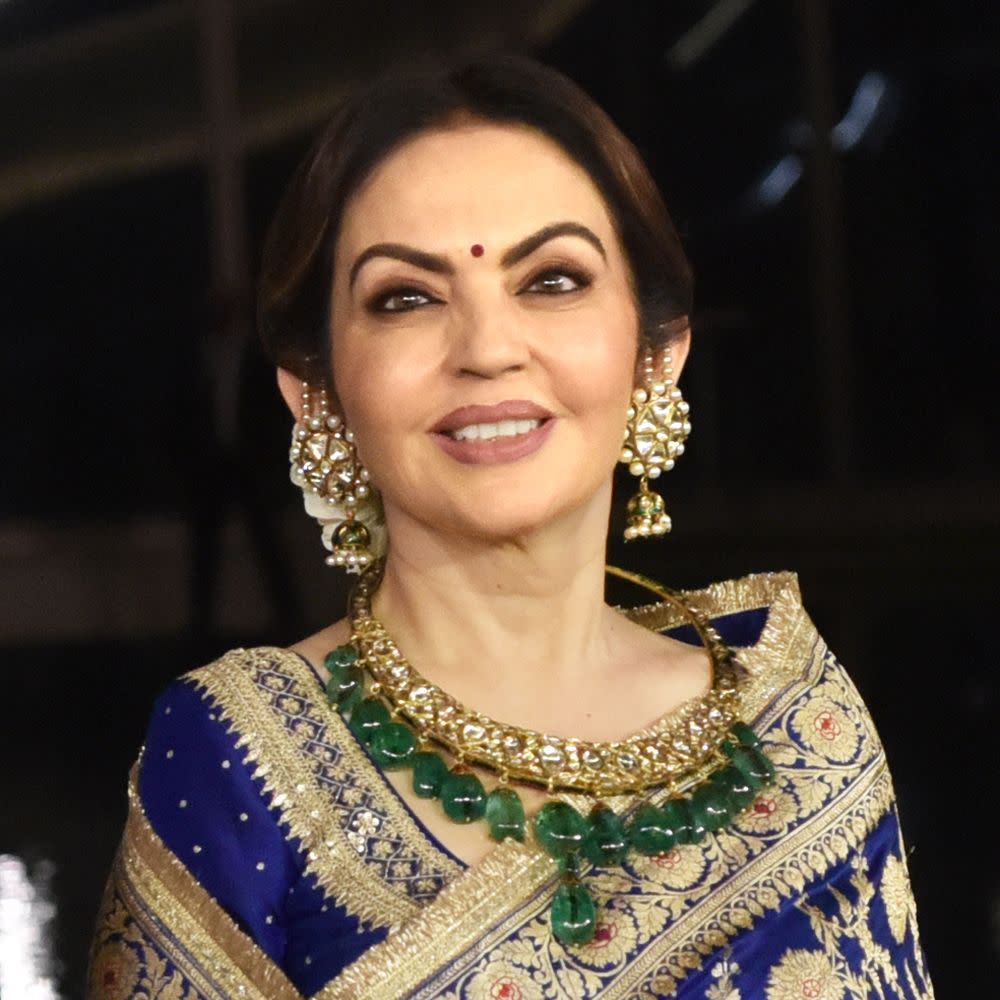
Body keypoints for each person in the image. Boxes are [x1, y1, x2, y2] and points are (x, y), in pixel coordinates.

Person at [88, 54, 933, 999]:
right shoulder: (240, 759)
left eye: (554, 280)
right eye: (407, 297)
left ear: (657, 354)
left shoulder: (795, 728)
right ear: (317, 394)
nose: (488, 348)